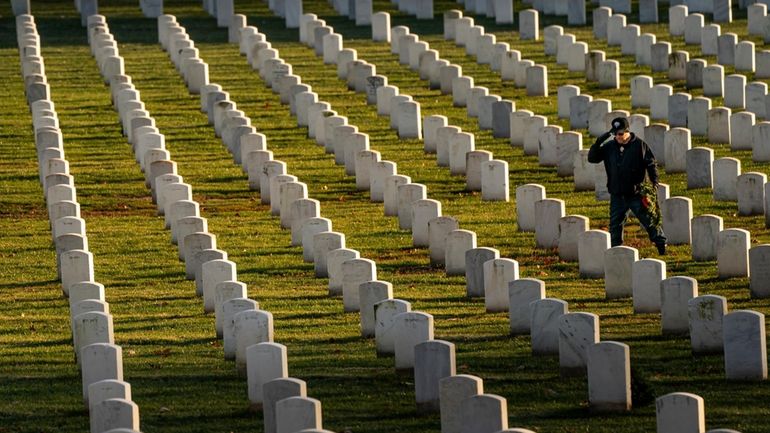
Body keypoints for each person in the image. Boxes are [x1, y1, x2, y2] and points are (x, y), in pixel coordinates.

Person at [587, 116, 667, 255]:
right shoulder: (610, 146)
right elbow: (592, 158)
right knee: (615, 226)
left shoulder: (639, 146)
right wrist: (600, 140)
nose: (617, 137)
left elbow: (651, 164)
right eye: (615, 134)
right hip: (617, 194)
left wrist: (654, 184)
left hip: (636, 193)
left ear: (627, 132)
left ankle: (661, 245)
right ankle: (617, 251)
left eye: (620, 134)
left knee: (649, 221)